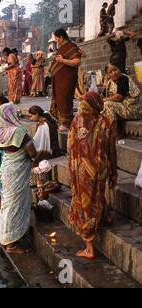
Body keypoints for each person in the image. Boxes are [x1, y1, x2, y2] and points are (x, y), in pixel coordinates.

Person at [68, 92, 117, 260]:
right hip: (101, 168)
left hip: (83, 171)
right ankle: (105, 217)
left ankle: (89, 247)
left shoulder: (76, 121)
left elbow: (70, 148)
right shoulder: (106, 121)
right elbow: (112, 149)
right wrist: (114, 171)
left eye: (83, 104)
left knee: (86, 204)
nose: (81, 107)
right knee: (97, 195)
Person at [0, 103, 38, 254]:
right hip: (16, 173)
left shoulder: (0, 131)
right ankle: (11, 245)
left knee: (7, 205)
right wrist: (34, 156)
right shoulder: (19, 132)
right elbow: (32, 152)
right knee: (15, 206)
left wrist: (8, 150)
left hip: (6, 170)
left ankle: (4, 238)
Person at [49, 28, 82, 131]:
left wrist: (62, 60)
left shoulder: (72, 47)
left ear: (61, 37)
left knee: (65, 99)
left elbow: (77, 62)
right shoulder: (62, 47)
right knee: (60, 99)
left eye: (57, 39)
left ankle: (66, 123)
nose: (56, 41)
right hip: (60, 80)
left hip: (67, 79)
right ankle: (62, 121)